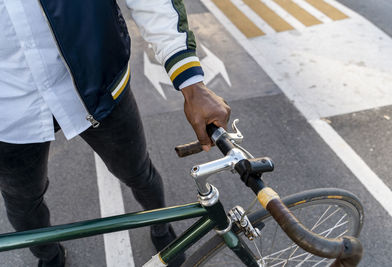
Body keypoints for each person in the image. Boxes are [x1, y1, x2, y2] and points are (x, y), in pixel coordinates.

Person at [0, 1, 230, 266]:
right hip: (10, 111)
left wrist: (191, 81)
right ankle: (48, 254)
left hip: (99, 83)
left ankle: (160, 225)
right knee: (22, 202)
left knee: (138, 173)